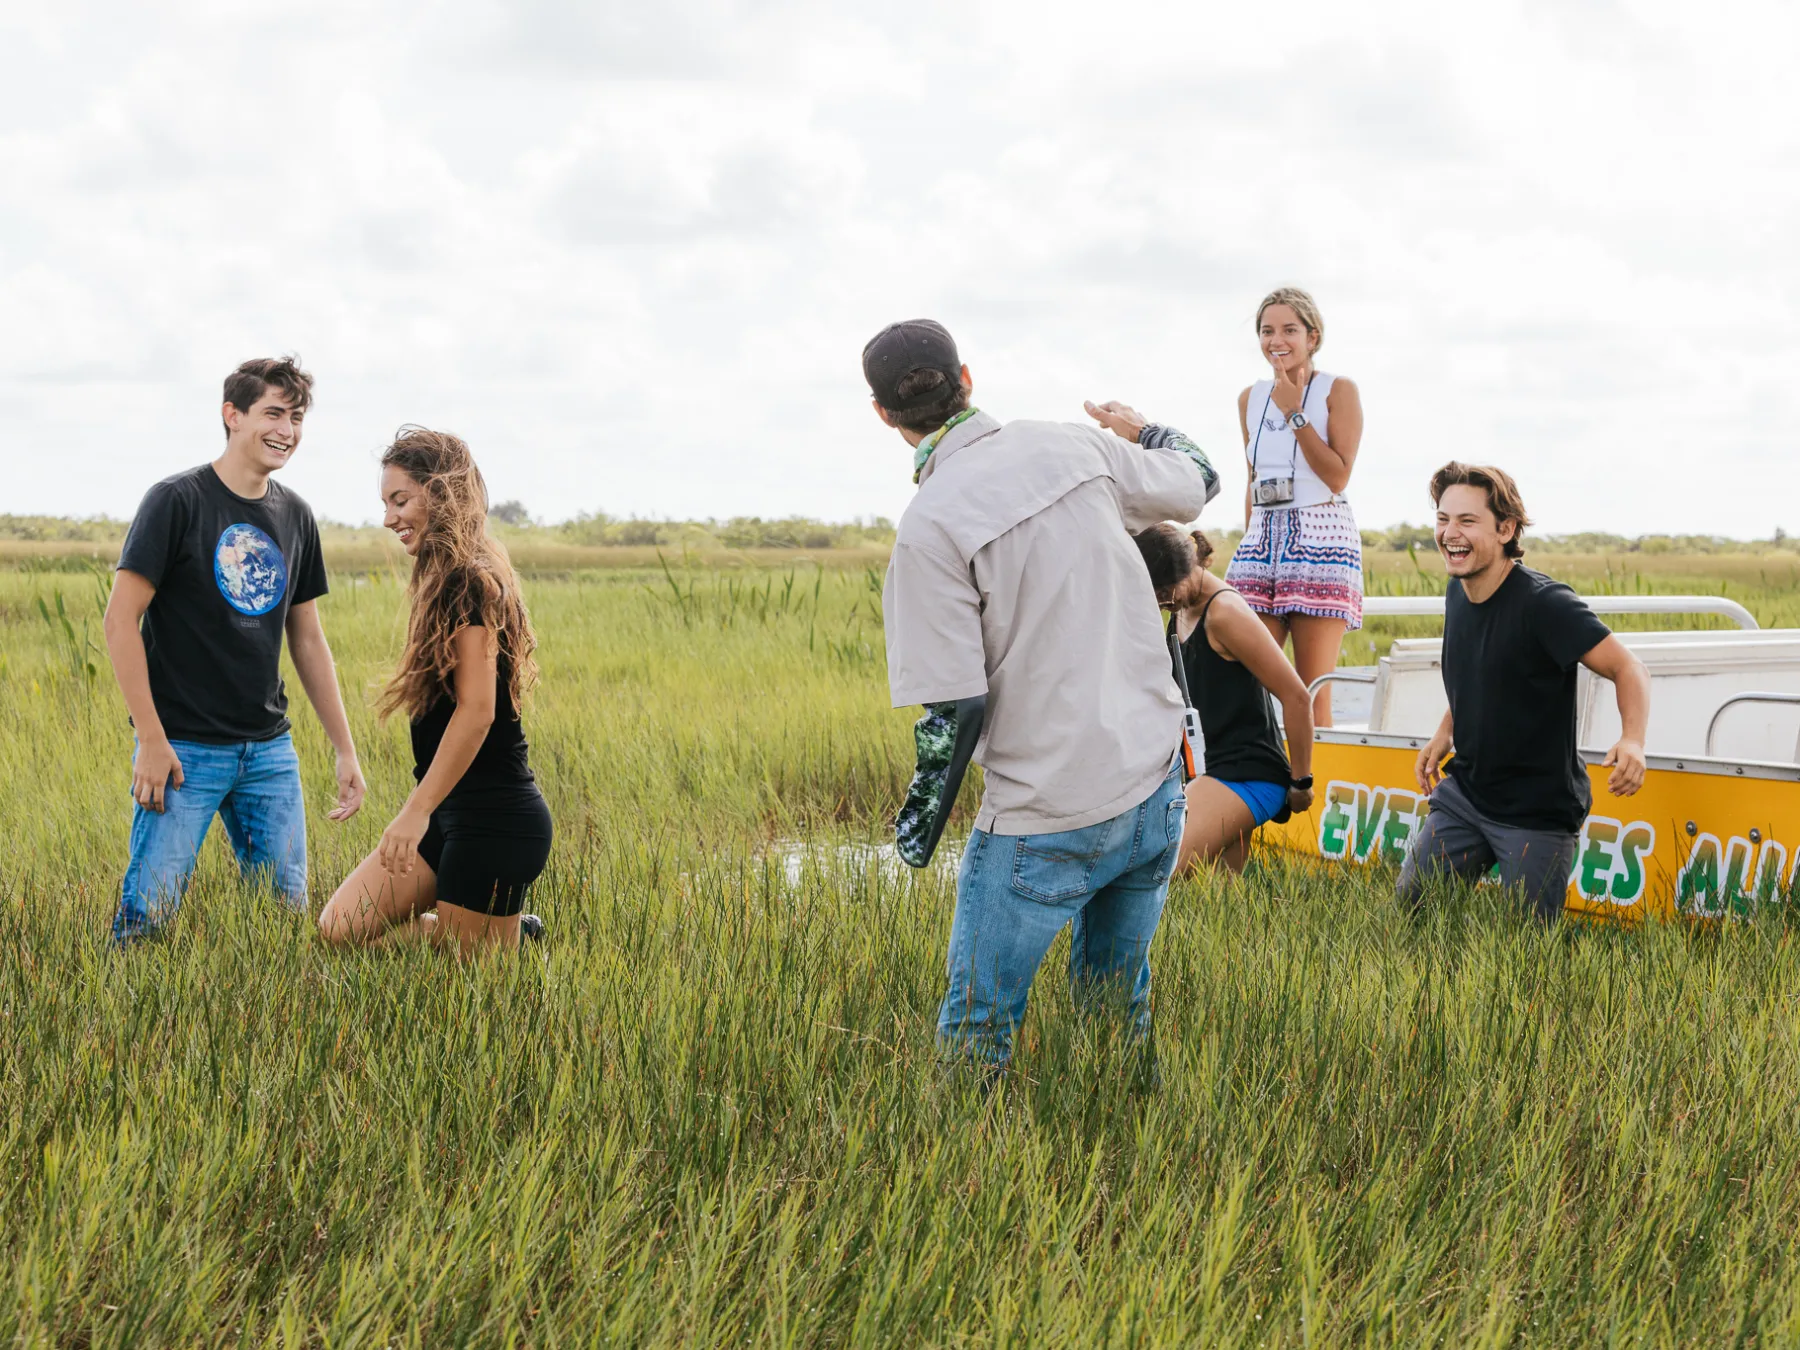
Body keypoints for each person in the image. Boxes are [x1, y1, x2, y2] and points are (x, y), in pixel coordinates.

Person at [868, 317, 1219, 1075]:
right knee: (1116, 1003)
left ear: (884, 416)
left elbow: (954, 709)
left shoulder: (928, 528)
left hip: (1044, 818)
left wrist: (919, 827)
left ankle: (967, 1185)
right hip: (1154, 788)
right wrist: (1143, 429)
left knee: (975, 1035)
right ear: (968, 379)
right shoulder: (1074, 445)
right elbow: (1201, 479)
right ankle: (1134, 1141)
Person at [103, 356, 365, 946]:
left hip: (269, 751)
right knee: (146, 919)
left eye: (296, 418)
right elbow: (120, 621)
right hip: (184, 751)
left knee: (282, 919)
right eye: (274, 413)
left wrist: (345, 749)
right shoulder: (176, 500)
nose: (288, 430)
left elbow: (308, 638)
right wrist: (150, 737)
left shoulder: (294, 514)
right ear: (232, 415)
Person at [317, 429, 552, 953]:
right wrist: (430, 811)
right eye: (385, 503)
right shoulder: (442, 579)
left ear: (441, 495)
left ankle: (505, 937)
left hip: (495, 821)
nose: (388, 518)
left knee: (466, 994)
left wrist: (413, 811)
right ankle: (511, 934)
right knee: (340, 930)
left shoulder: (471, 580)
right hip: (449, 814)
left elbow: (477, 713)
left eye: (400, 500)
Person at [1400, 462, 1650, 923]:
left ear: (1506, 528)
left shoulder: (1545, 604)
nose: (1449, 533)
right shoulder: (1459, 590)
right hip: (1468, 792)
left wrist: (1632, 738)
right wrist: (1444, 731)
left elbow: (1627, 667)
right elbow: (1484, 672)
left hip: (1536, 811)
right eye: (1443, 519)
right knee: (1413, 907)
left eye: (1467, 521)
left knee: (1525, 949)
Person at [1133, 523, 1316, 873]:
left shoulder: (1225, 612)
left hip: (1247, 771)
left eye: (1166, 590)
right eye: (1154, 594)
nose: (1163, 600)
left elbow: (1297, 697)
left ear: (1189, 567)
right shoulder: (1181, 610)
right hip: (1210, 771)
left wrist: (1301, 781)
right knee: (1219, 903)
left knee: (1156, 868)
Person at [1224, 286, 1366, 728]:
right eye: (1267, 331)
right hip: (1263, 537)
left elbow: (1338, 475)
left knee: (1311, 688)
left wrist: (1295, 413)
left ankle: (1315, 789)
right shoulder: (1250, 397)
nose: (1276, 340)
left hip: (1319, 534)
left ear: (1313, 337)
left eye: (1289, 329)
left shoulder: (1336, 390)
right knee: (1248, 680)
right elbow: (1252, 477)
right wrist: (1250, 536)